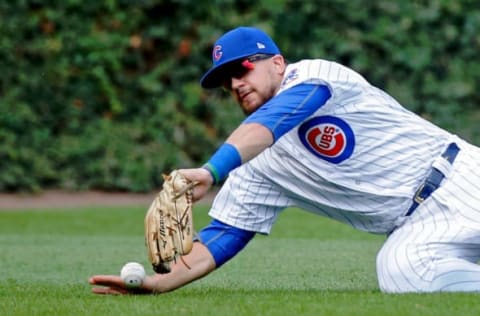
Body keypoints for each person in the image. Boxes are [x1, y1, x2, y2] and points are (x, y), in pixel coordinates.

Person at [89, 26, 480, 294]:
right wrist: (163, 282)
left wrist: (211, 171)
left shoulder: (315, 76)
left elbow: (277, 118)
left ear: (277, 63)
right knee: (400, 271)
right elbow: (224, 235)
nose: (235, 83)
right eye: (226, 82)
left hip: (461, 178)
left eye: (241, 69)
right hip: (419, 227)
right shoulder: (256, 164)